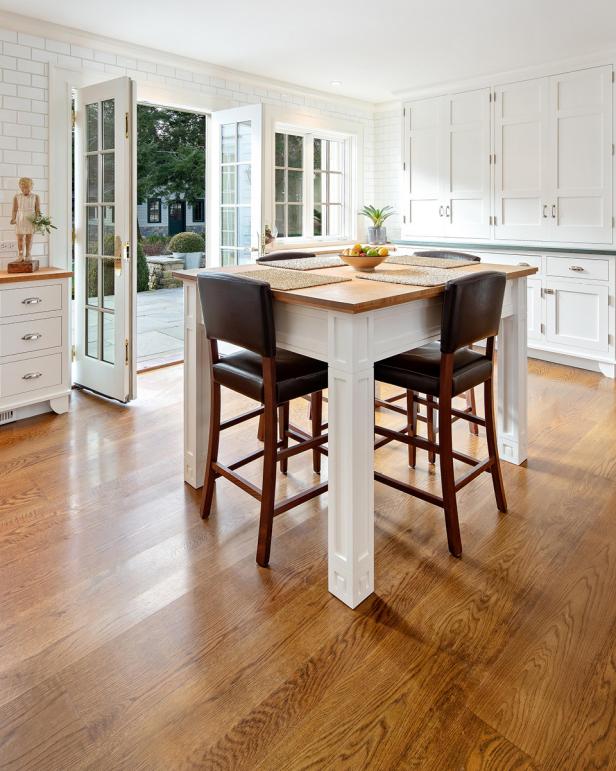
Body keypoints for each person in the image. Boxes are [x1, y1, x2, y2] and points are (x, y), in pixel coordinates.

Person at [10, 177, 40, 261]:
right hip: (20, 218)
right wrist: (13, 218)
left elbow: (37, 210)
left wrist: (38, 219)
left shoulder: (35, 197)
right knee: (19, 238)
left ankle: (28, 254)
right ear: (20, 187)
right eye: (24, 187)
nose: (26, 189)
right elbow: (14, 209)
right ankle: (20, 254)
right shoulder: (17, 197)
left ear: (32, 187)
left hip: (31, 218)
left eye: (28, 187)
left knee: (29, 238)